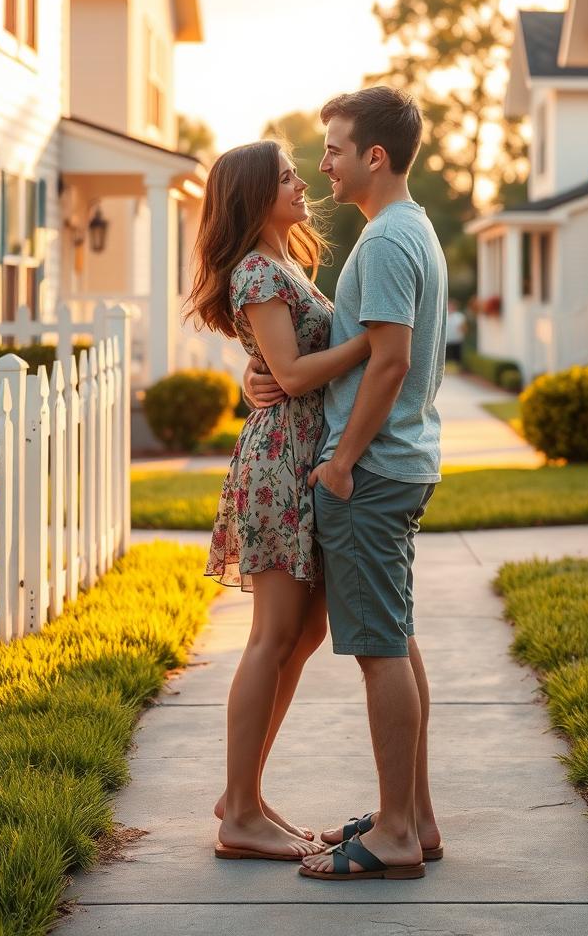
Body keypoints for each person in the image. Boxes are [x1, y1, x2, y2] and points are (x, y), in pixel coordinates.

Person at [244, 86, 447, 882]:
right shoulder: (405, 230)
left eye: (332, 148)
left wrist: (338, 463)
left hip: (370, 471)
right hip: (395, 465)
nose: (320, 162)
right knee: (393, 637)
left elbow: (389, 360)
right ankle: (417, 818)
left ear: (374, 156)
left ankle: (396, 832)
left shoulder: (388, 242)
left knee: (377, 651)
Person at [185, 139, 370, 863]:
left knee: (303, 635)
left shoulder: (285, 262)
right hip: (279, 469)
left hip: (299, 459)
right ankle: (239, 818)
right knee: (270, 637)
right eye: (287, 176)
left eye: (297, 172)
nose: (302, 184)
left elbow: (272, 367)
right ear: (256, 194)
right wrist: (373, 346)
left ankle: (244, 797)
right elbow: (291, 374)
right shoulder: (260, 270)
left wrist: (255, 375)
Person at [445, 297, 467, 368]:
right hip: (446, 340)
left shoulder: (460, 316)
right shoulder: (444, 315)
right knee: (446, 357)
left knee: (457, 357)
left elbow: (464, 327)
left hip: (457, 340)